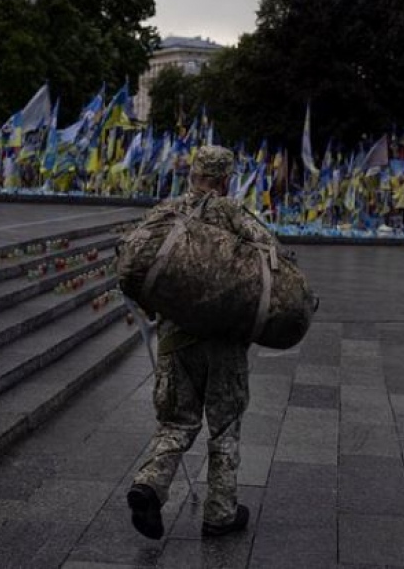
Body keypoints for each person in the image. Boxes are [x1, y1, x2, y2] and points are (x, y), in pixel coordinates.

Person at [127, 145, 276, 540]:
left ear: (193, 174)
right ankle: (220, 512)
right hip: (224, 341)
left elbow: (133, 262)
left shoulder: (165, 212)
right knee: (224, 426)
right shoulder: (232, 212)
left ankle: (149, 485)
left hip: (175, 340)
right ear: (225, 178)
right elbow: (270, 252)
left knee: (176, 420)